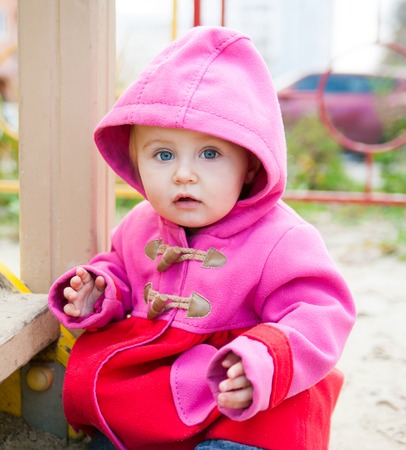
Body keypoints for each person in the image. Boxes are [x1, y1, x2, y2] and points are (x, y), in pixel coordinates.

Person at [48, 26, 355, 450]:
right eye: (163, 154)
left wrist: (263, 360)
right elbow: (121, 268)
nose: (183, 173)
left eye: (210, 154)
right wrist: (100, 292)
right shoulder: (141, 223)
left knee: (256, 431)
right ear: (134, 159)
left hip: (243, 393)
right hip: (160, 382)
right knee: (113, 431)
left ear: (250, 164)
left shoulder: (282, 239)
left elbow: (322, 313)